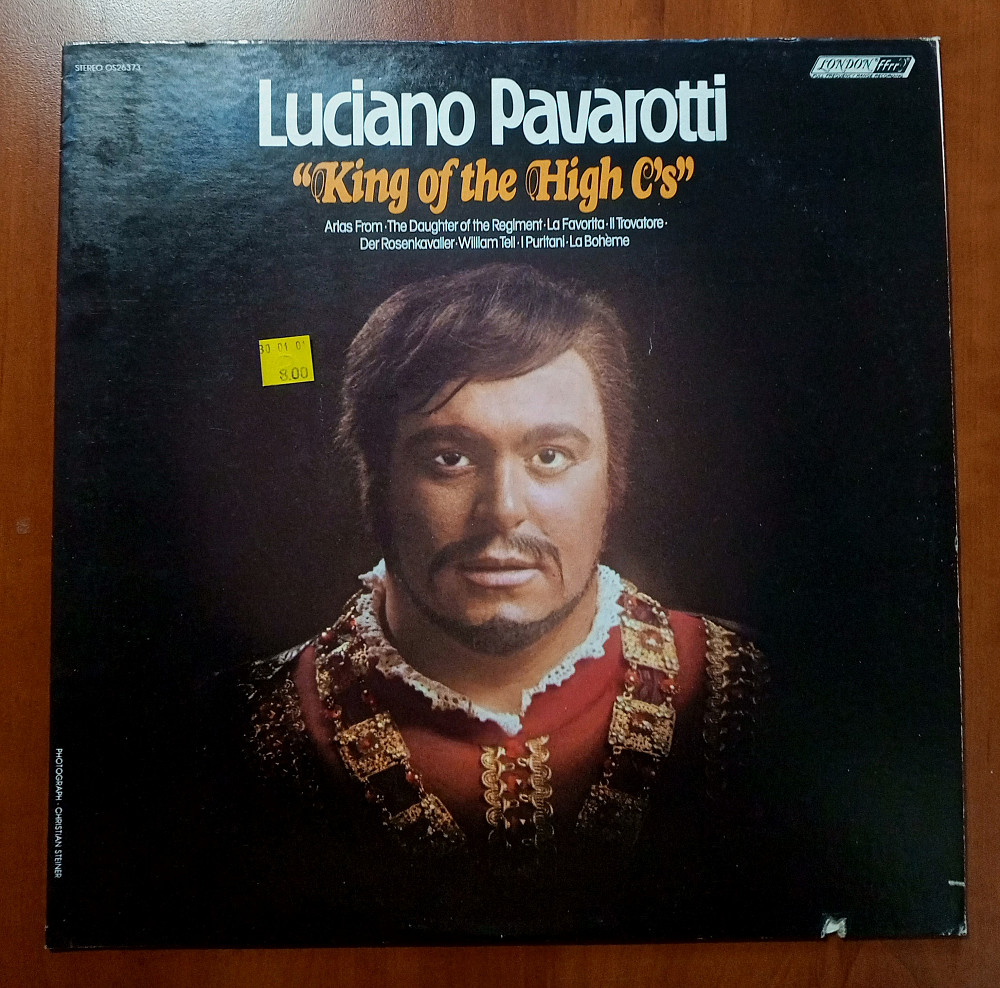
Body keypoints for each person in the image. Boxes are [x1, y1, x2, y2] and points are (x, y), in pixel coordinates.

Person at [239, 264, 766, 940]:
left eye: (550, 455)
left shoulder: (745, 691)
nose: (503, 511)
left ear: (614, 480)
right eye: (449, 459)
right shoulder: (244, 731)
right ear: (377, 482)